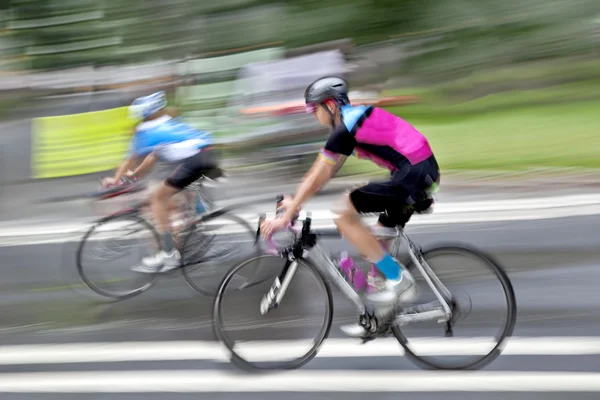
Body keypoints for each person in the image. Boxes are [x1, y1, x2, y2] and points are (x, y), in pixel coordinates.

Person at [260, 76, 440, 337]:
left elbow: (317, 176)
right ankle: (382, 315)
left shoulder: (346, 126)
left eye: (314, 109)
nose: (313, 115)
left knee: (343, 212)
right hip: (417, 173)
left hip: (413, 175)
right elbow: (319, 175)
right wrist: (295, 201)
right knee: (375, 240)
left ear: (330, 105)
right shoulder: (354, 121)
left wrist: (287, 215)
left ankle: (399, 281)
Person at [103, 91, 218, 273]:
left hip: (197, 159)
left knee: (158, 199)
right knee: (171, 195)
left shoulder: (145, 132)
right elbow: (150, 160)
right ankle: (195, 220)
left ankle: (169, 254)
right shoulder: (162, 125)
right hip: (205, 153)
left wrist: (115, 181)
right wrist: (130, 178)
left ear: (143, 116)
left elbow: (130, 160)